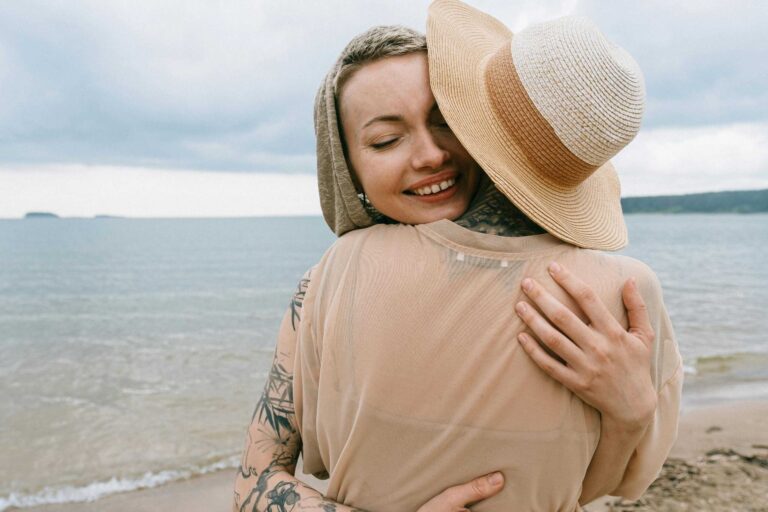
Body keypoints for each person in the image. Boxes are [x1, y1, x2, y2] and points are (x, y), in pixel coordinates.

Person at [233, 2, 682, 511]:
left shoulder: (327, 280)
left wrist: (633, 409)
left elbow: (254, 485)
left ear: (476, 127)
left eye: (446, 121)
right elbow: (592, 490)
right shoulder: (332, 281)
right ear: (347, 168)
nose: (429, 155)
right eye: (385, 140)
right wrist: (634, 415)